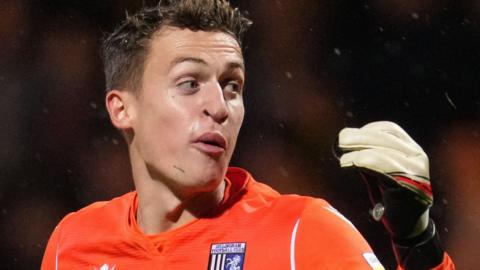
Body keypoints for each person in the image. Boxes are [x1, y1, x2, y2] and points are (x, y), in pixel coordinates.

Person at [41, 0, 455, 269]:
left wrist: (418, 244)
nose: (219, 106)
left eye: (232, 86)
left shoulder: (301, 233)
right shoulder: (72, 244)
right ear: (122, 108)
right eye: (189, 83)